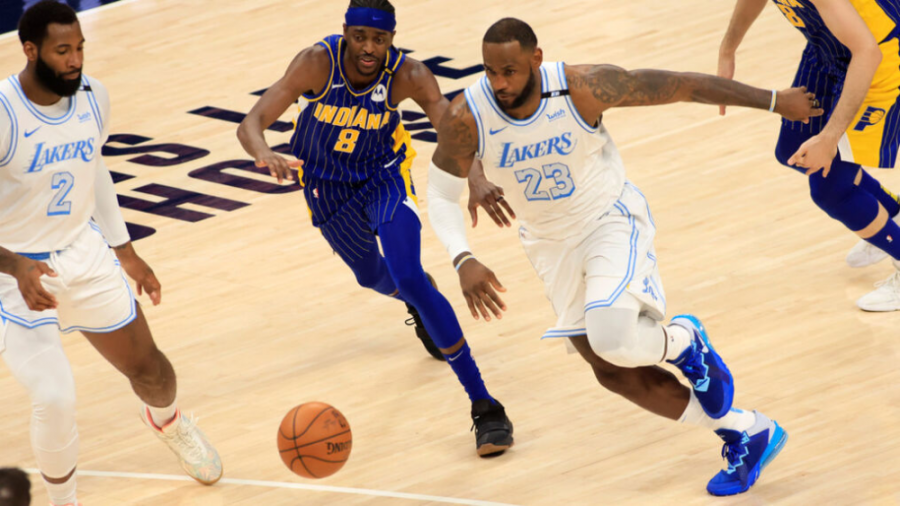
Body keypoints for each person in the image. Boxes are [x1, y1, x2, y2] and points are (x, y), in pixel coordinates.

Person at [428, 18, 821, 495]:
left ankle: (683, 341)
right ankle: (746, 430)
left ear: (536, 59)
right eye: (490, 71)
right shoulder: (467, 115)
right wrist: (462, 257)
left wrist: (775, 101)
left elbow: (683, 86)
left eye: (509, 71)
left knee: (612, 337)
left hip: (607, 220)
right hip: (549, 244)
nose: (499, 83)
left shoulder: (582, 88)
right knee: (611, 371)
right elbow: (441, 193)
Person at [236, 0, 514, 456]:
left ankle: (485, 406)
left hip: (383, 176)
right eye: (360, 37)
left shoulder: (410, 75)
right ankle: (418, 299)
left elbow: (453, 130)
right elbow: (251, 123)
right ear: (345, 32)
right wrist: (262, 151)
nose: (369, 48)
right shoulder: (316, 63)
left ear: (392, 39)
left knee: (407, 273)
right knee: (371, 276)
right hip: (326, 186)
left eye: (379, 39)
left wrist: (477, 179)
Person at [0, 3, 223, 504]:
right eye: (62, 51)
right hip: (13, 270)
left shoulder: (93, 95)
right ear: (30, 50)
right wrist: (14, 265)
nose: (75, 60)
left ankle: (168, 422)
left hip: (82, 252)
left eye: (80, 48)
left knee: (153, 373)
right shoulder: (3, 113)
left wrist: (126, 250)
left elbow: (94, 167)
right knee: (55, 397)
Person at [719, 0, 900, 311]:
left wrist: (830, 138)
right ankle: (891, 216)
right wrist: (727, 49)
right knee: (793, 148)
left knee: (832, 190)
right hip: (829, 47)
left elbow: (868, 53)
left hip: (879, 55)